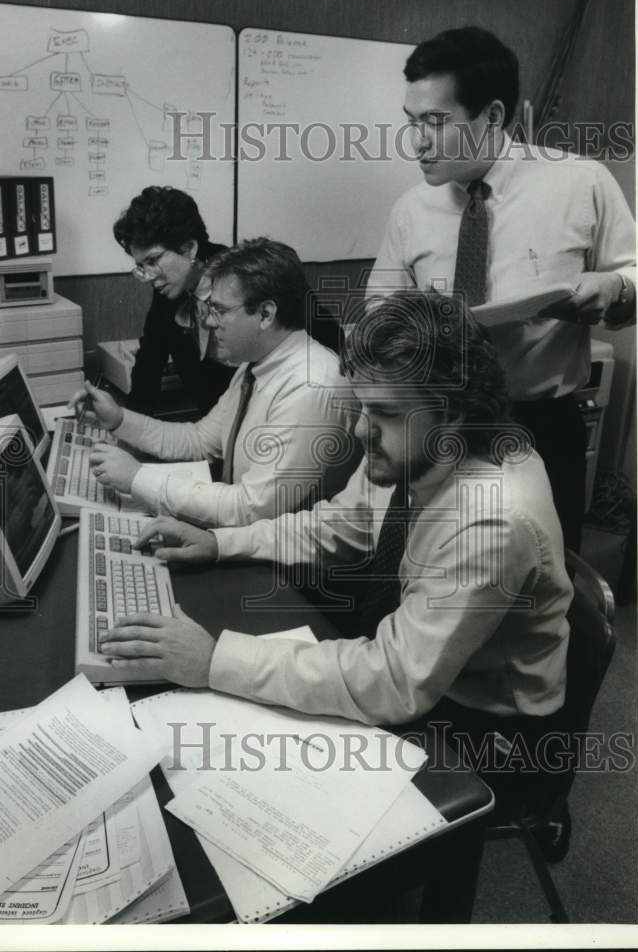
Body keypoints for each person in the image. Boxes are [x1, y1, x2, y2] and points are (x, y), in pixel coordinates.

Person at [96, 292, 573, 800]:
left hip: (481, 725)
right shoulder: (416, 446)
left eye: (383, 413)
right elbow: (336, 526)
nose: (360, 429)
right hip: (422, 668)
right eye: (362, 405)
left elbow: (395, 680)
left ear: (453, 415)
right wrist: (219, 542)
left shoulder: (491, 518)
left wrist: (214, 661)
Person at [365, 26, 636, 553]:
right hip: (437, 422)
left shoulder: (581, 183)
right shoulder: (410, 210)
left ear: (491, 116)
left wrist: (616, 286)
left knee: (541, 583)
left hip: (539, 426)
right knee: (423, 574)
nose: (416, 141)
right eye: (411, 123)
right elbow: (377, 312)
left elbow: (636, 273)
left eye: (435, 123)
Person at [69, 237, 356, 529]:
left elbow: (252, 508)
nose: (208, 322)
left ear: (266, 314)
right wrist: (119, 419)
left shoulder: (310, 386)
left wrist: (137, 478)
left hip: (284, 567)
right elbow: (199, 440)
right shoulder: (257, 364)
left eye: (220, 310)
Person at [113, 186, 236, 416]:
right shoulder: (170, 290)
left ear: (188, 249)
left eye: (153, 260)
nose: (148, 276)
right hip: (212, 434)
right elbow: (148, 365)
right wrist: (127, 428)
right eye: (141, 267)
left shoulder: (248, 278)